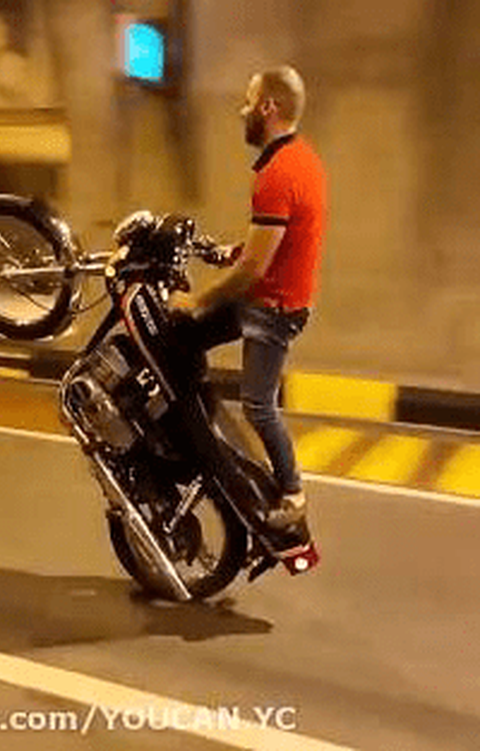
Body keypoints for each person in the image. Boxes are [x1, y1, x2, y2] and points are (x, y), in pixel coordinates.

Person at [173, 66, 327, 536]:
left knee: (258, 404)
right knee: (185, 340)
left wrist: (196, 301)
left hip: (271, 308)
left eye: (247, 101)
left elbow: (253, 271)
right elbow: (276, 243)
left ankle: (294, 494)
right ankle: (198, 426)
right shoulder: (303, 158)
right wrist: (228, 252)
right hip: (271, 297)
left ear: (268, 107)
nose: (242, 111)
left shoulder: (277, 175)